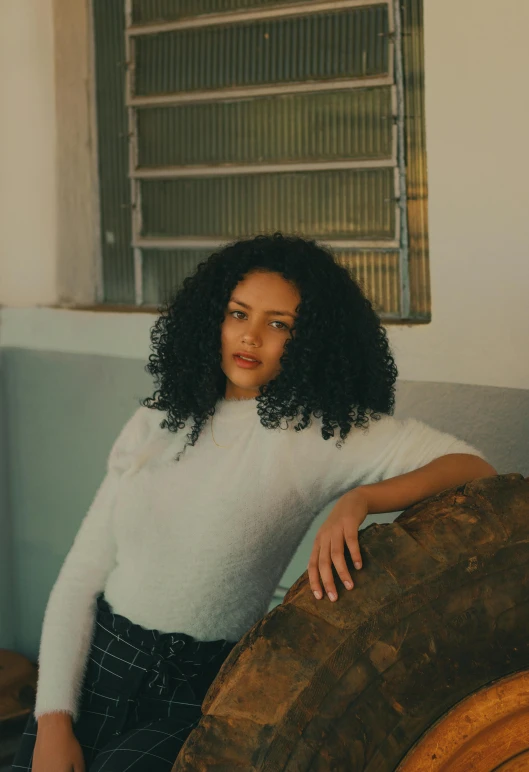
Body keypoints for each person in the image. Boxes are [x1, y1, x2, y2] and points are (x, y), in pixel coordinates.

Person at [13, 233, 496, 771]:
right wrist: (54, 718)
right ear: (211, 320)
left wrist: (362, 498)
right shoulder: (159, 420)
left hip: (201, 690)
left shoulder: (321, 434)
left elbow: (473, 467)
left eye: (278, 323)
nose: (250, 337)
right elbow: (83, 574)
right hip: (97, 662)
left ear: (311, 339)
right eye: (238, 314)